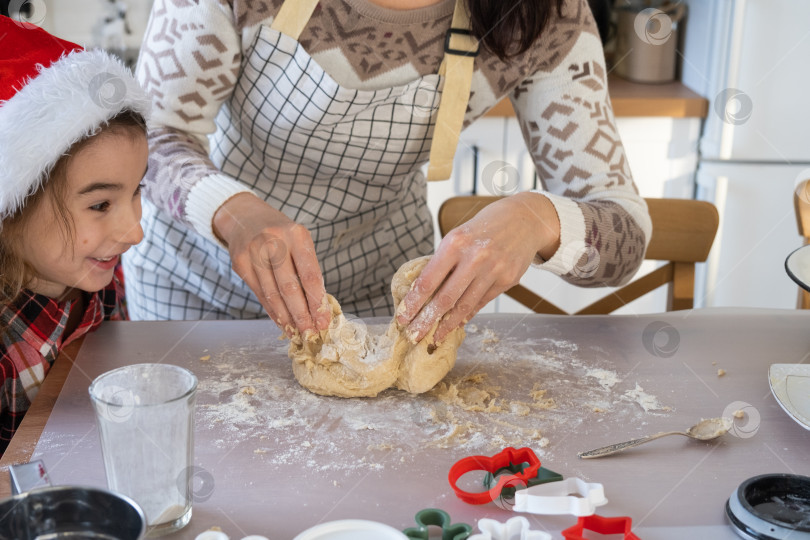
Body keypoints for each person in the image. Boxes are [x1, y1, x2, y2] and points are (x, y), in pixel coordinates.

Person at [128, 0, 652, 343]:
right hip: (192, 289)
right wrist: (231, 211)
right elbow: (150, 138)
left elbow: (624, 237)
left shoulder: (545, 17)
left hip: (374, 305)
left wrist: (538, 218)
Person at [0, 15, 150, 454]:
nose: (134, 231)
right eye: (100, 204)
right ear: (13, 206)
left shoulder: (99, 269)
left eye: (137, 191)